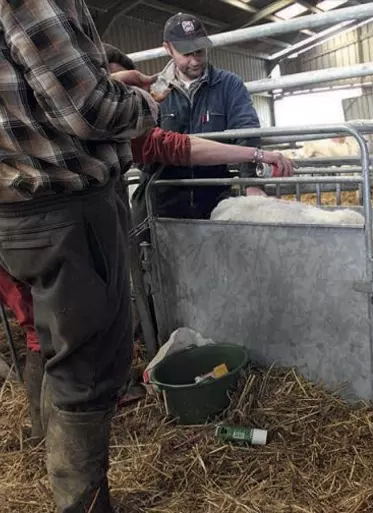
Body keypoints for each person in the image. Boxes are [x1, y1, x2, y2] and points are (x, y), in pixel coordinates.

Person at [2, 43, 295, 450]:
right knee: (48, 333)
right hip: (31, 229)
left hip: (42, 229)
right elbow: (166, 143)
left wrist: (256, 153)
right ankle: (58, 445)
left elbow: (174, 146)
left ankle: (59, 437)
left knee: (61, 329)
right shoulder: (76, 117)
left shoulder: (59, 111)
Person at [0, 0, 160, 511]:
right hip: (67, 208)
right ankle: (84, 505)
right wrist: (145, 101)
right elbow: (88, 109)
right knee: (87, 367)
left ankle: (76, 491)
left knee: (55, 348)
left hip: (19, 208)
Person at [131, 12, 266, 227]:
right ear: (168, 48)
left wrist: (251, 183)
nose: (195, 61)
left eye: (200, 52)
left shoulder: (228, 85)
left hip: (213, 198)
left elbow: (246, 130)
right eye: (186, 54)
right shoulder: (153, 91)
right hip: (162, 199)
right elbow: (143, 147)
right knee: (153, 258)